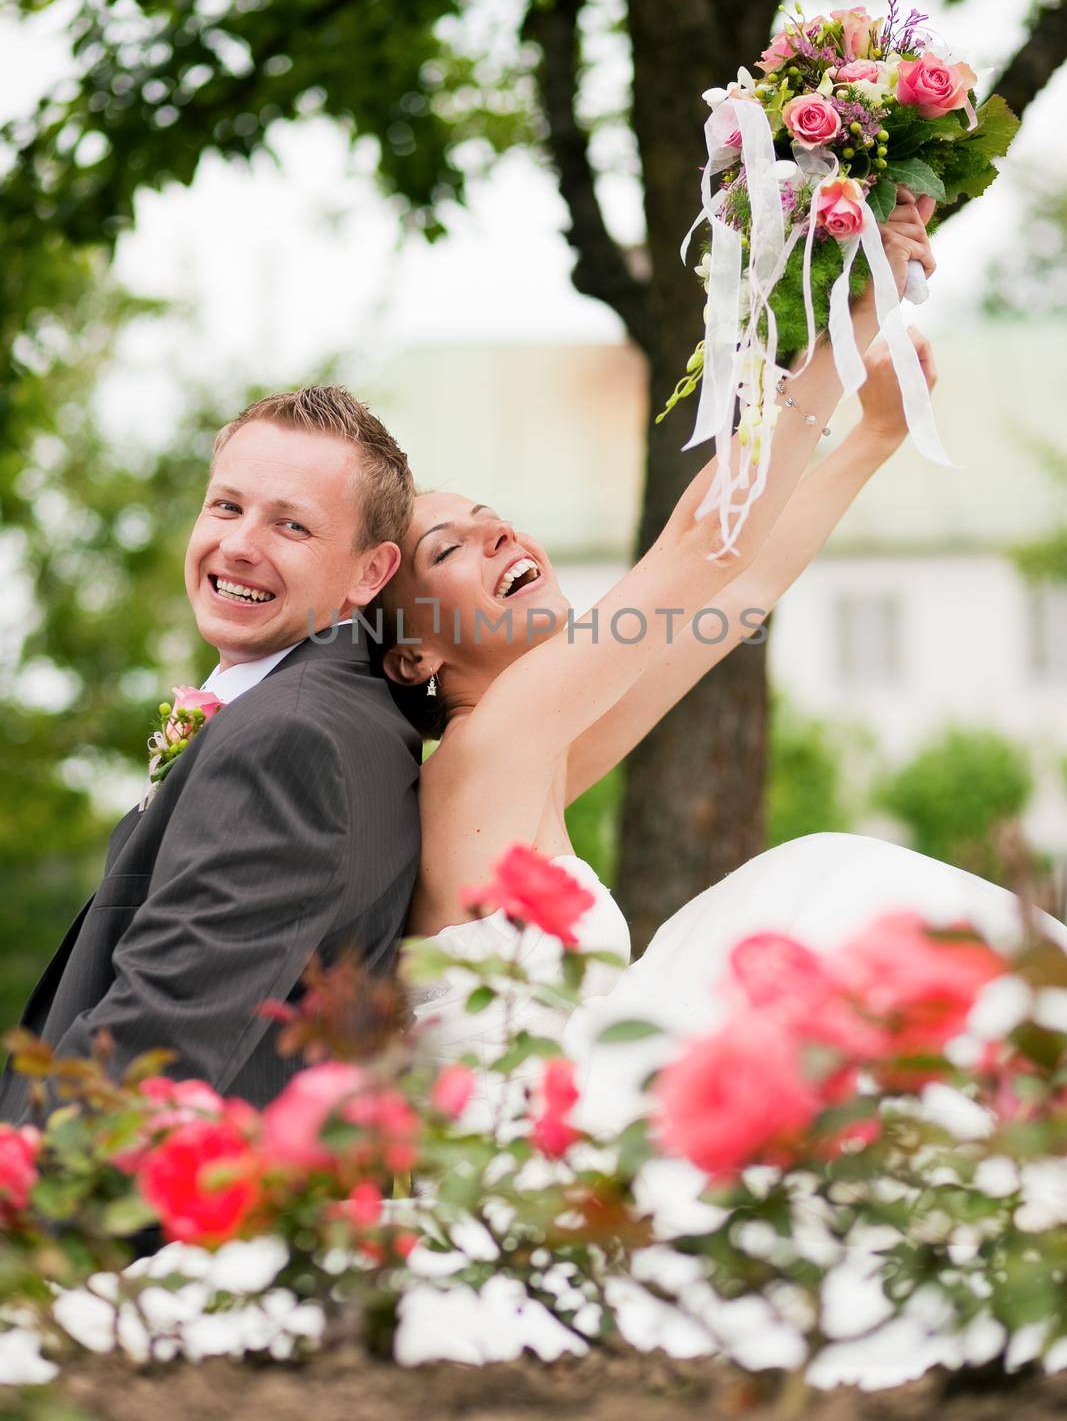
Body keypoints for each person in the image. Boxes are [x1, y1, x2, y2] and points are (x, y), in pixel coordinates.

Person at [374, 196, 1067, 1130]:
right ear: (412, 650)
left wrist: (872, 438)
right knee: (825, 886)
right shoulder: (485, 753)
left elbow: (732, 598)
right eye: (450, 549)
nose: (497, 532)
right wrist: (850, 322)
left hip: (586, 1125)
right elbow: (705, 541)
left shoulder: (529, 760)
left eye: (491, 514)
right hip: (549, 1152)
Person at [0, 386, 422, 1125]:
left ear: (369, 572)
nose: (238, 545)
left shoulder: (292, 737)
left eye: (291, 524)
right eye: (226, 506)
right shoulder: (325, 707)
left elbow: (153, 1046)